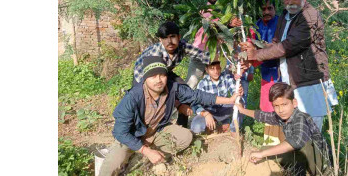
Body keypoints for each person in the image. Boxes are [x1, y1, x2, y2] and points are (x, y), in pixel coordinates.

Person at [99, 56, 242, 176]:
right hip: (131, 136)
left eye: (162, 75)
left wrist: (229, 100)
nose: (158, 80)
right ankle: (139, 155)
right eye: (153, 76)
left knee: (185, 137)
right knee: (111, 167)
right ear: (145, 78)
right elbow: (119, 132)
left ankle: (143, 160)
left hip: (156, 133)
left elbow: (198, 96)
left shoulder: (173, 88)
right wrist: (146, 150)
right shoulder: (133, 97)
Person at [240, 0, 338, 131]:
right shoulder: (285, 16)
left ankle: (316, 154)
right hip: (292, 80)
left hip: (310, 81)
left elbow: (289, 45)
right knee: (296, 127)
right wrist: (254, 52)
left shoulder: (310, 15)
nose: (290, 1)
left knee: (312, 128)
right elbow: (276, 44)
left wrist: (257, 54)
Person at [235, 82, 333, 176]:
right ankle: (296, 171)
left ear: (294, 103)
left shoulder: (301, 118)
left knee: (300, 146)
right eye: (276, 106)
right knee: (265, 148)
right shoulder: (283, 116)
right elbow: (262, 115)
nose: (281, 110)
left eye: (284, 104)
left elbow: (296, 141)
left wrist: (263, 154)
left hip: (319, 163)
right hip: (301, 157)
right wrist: (243, 110)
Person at [133, 21, 210, 127]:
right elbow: (157, 84)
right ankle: (147, 128)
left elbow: (203, 56)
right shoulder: (156, 54)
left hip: (165, 72)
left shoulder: (182, 46)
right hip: (144, 76)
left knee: (186, 92)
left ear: (179, 36)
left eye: (172, 37)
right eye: (165, 38)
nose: (169, 42)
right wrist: (177, 104)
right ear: (160, 40)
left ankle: (182, 126)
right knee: (149, 102)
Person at [186, 0, 243, 90]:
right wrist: (229, 24)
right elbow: (211, 26)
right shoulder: (205, 9)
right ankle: (181, 105)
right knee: (191, 85)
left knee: (209, 88)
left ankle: (201, 106)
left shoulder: (222, 12)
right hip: (200, 53)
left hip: (213, 57)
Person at [254, 0, 284, 145]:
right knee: (268, 105)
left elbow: (279, 47)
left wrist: (265, 48)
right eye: (263, 9)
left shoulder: (280, 23)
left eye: (269, 8)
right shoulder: (256, 25)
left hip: (281, 71)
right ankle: (271, 142)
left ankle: (284, 141)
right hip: (266, 72)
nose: (266, 12)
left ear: (275, 9)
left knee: (282, 104)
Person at [190, 60, 244, 134]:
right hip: (209, 110)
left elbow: (234, 91)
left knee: (239, 103)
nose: (216, 72)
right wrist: (206, 114)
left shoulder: (226, 78)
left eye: (218, 68)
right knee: (196, 128)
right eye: (212, 69)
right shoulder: (202, 84)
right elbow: (196, 104)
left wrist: (238, 91)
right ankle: (213, 121)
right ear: (206, 69)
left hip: (223, 109)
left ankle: (232, 127)